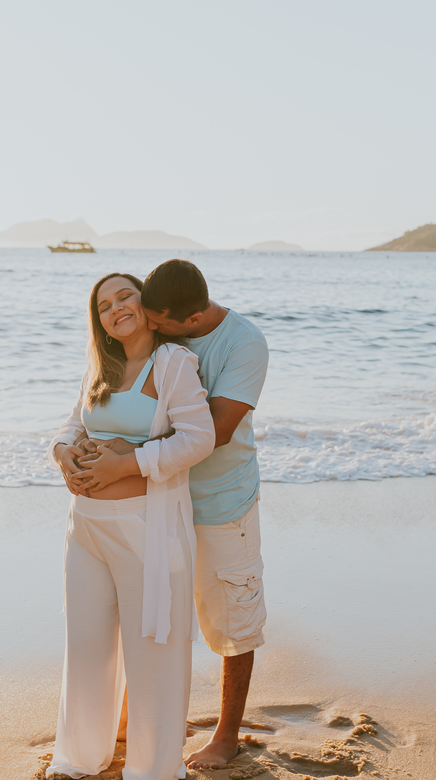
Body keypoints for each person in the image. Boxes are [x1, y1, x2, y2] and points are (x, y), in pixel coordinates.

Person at [46, 272, 215, 780]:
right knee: (87, 648)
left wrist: (127, 463)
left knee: (153, 656)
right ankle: (79, 759)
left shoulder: (173, 364)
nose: (116, 308)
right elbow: (74, 423)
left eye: (125, 297)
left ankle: (153, 771)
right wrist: (62, 451)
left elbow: (198, 438)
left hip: (146, 530)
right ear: (98, 322)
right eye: (103, 306)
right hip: (87, 528)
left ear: (147, 305)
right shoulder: (102, 366)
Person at [140, 259, 270, 771]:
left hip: (223, 502)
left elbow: (213, 431)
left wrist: (130, 458)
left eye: (159, 322)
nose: (150, 329)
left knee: (233, 620)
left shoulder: (244, 344)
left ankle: (227, 734)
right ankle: (144, 715)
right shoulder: (162, 331)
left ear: (191, 320)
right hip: (159, 498)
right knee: (154, 611)